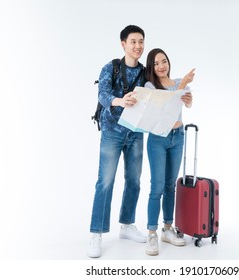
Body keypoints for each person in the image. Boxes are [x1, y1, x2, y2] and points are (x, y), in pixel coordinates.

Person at [88, 25, 147, 258]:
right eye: (133, 41)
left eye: (141, 41)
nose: (138, 46)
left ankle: (127, 225)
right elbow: (102, 95)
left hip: (136, 132)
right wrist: (120, 101)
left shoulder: (145, 72)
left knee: (134, 180)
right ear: (123, 43)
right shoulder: (110, 67)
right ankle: (96, 233)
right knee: (105, 182)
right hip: (112, 132)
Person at [144, 48, 195, 256]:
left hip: (177, 137)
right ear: (151, 67)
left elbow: (185, 103)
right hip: (158, 139)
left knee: (170, 186)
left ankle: (167, 228)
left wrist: (188, 99)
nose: (161, 66)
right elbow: (165, 106)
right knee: (156, 186)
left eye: (164, 61)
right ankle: (151, 233)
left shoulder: (177, 83)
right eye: (156, 63)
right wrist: (181, 86)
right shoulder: (150, 86)